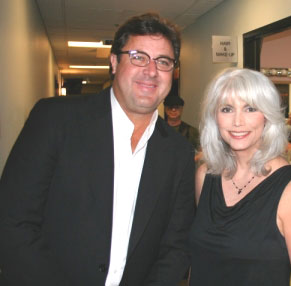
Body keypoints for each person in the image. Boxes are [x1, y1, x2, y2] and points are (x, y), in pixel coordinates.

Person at [0, 13, 195, 286]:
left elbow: (176, 246)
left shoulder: (179, 153)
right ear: (114, 62)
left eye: (163, 62)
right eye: (138, 56)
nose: (151, 71)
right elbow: (12, 222)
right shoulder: (55, 120)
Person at [189, 68, 291, 286]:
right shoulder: (205, 176)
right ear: (215, 117)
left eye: (250, 108)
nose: (238, 122)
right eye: (227, 109)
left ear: (267, 116)